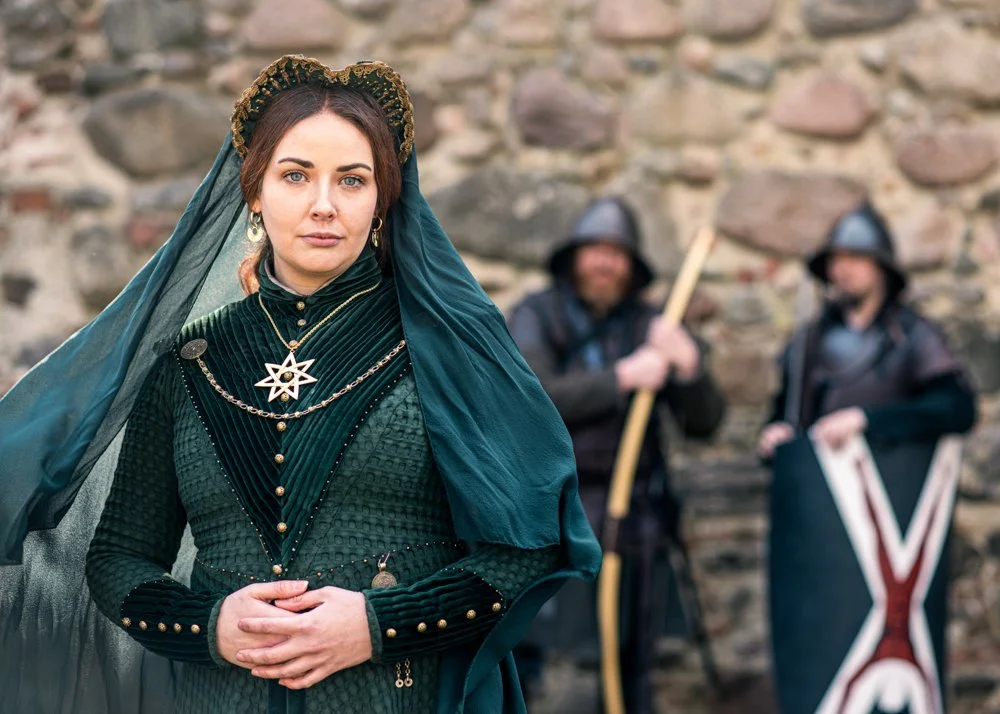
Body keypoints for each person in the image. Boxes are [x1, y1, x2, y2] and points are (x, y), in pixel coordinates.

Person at [0, 56, 600, 714]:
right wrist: (209, 627)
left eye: (352, 180)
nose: (323, 205)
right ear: (255, 192)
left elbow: (531, 549)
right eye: (295, 175)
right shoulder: (190, 363)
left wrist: (378, 626)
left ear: (382, 198)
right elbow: (118, 559)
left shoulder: (448, 350)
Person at [507, 197, 726, 713]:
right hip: (553, 513)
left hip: (634, 519)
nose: (605, 263)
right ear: (574, 256)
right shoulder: (538, 314)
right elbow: (531, 398)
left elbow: (704, 423)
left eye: (617, 253)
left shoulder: (652, 323)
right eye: (595, 251)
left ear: (631, 266)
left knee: (632, 660)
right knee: (560, 661)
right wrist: (622, 378)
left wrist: (688, 365)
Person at [757, 202, 976, 457]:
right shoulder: (811, 339)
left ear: (880, 266)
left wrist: (867, 420)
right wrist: (778, 433)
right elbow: (788, 413)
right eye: (836, 258)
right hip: (819, 485)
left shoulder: (912, 334)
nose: (843, 268)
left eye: (856, 257)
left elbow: (957, 409)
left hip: (890, 482)